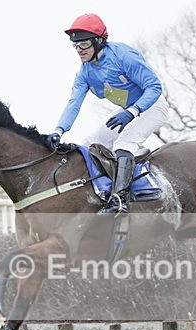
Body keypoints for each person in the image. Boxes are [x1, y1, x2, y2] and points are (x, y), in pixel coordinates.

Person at [45, 13, 169, 214]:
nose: (79, 50)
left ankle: (120, 200)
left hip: (153, 106)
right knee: (88, 143)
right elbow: (74, 103)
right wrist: (59, 130)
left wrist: (133, 111)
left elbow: (154, 87)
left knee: (123, 143)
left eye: (83, 44)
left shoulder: (123, 56)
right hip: (128, 109)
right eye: (75, 45)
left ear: (99, 40)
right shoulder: (85, 71)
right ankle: (98, 192)